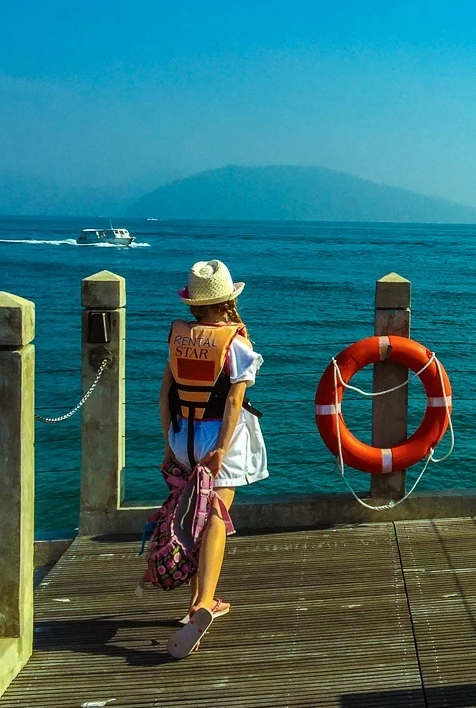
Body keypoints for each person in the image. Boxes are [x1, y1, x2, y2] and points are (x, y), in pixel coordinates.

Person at [161, 259, 268, 659]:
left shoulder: (178, 336)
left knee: (193, 514)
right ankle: (204, 603)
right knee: (217, 515)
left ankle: (197, 602)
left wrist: (167, 444)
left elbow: (165, 393)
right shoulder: (235, 344)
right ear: (227, 301)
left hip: (181, 434)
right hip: (216, 436)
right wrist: (222, 448)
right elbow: (235, 401)